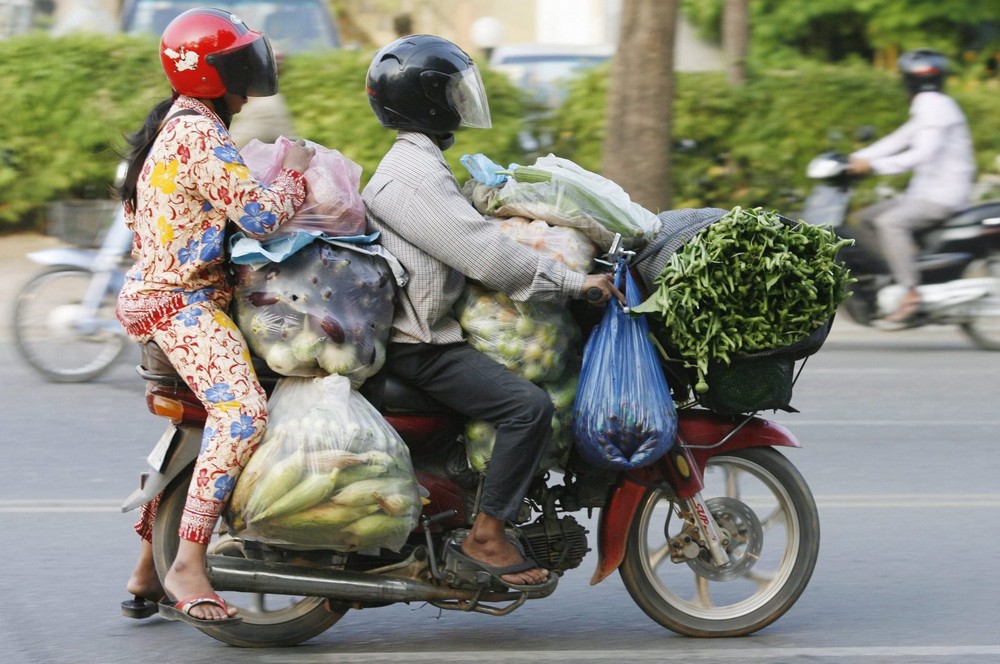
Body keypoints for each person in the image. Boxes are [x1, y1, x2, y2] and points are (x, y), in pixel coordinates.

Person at [362, 34, 622, 591]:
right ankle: (486, 533)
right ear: (426, 100)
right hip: (421, 346)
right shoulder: (411, 177)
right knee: (527, 407)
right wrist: (575, 283)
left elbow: (471, 235)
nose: (460, 103)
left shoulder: (419, 166)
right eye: (451, 92)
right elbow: (485, 255)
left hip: (423, 332)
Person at [116, 7, 314, 626]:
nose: (254, 67)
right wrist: (297, 175)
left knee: (202, 428)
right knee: (243, 413)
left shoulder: (183, 122)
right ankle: (188, 563)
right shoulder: (198, 133)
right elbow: (259, 215)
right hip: (181, 305)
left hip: (167, 298)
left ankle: (148, 569)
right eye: (239, 60)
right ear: (211, 74)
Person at [847, 48, 975, 325]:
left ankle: (910, 291)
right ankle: (893, 272)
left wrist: (873, 165)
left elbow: (921, 152)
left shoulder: (930, 104)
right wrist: (858, 158)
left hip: (941, 197)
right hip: (925, 193)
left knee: (889, 223)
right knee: (867, 218)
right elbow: (900, 138)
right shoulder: (935, 104)